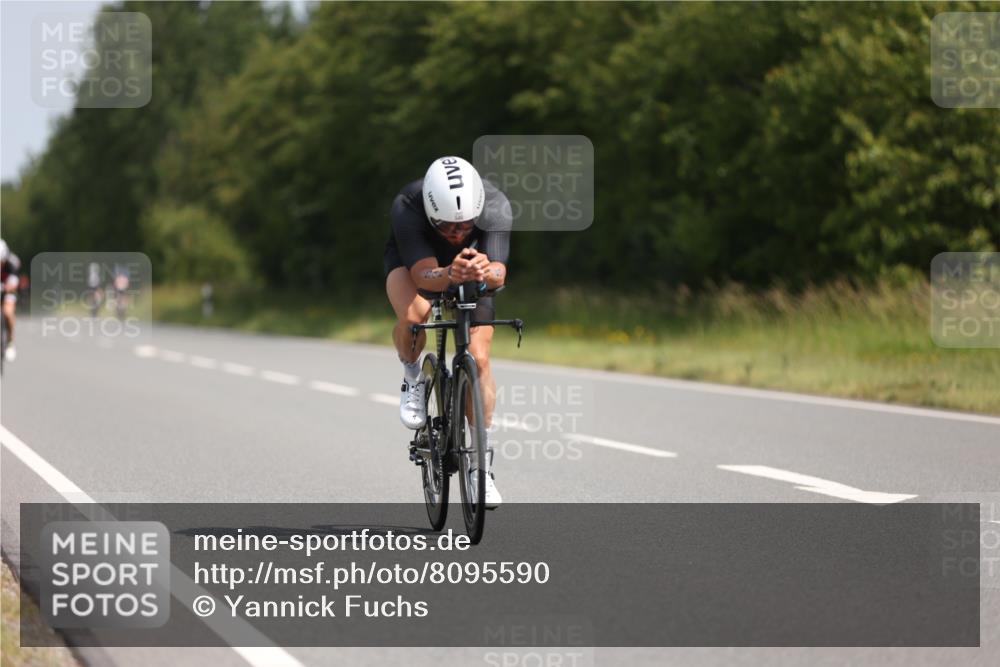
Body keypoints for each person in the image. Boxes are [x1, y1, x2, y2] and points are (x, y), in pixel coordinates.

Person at [384, 156, 512, 507]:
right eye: (446, 227)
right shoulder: (408, 206)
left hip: (472, 271)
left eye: (464, 226)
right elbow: (422, 275)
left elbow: (500, 272)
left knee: (480, 359)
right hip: (419, 264)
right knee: (415, 317)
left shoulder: (496, 204)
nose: (457, 235)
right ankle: (413, 374)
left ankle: (480, 467)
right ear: (430, 211)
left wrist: (486, 272)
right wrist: (449, 273)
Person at [0, 239, 21, 362]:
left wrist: (8, 288)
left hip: (8, 288)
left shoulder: (12, 262)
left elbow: (13, 282)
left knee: (8, 312)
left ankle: (10, 342)